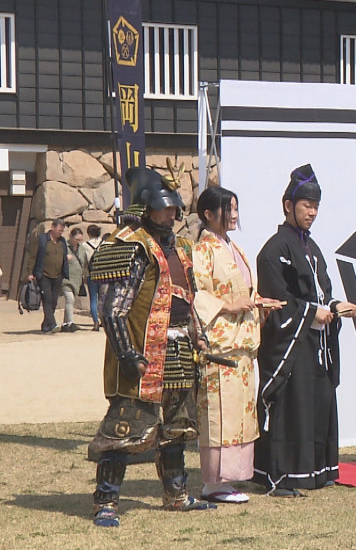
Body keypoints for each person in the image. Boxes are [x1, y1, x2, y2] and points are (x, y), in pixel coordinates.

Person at [86, 166, 214, 527]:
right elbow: (113, 310)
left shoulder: (179, 246)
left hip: (179, 349)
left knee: (176, 427)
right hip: (143, 352)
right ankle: (106, 501)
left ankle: (176, 494)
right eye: (164, 207)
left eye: (174, 207)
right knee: (124, 428)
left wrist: (198, 334)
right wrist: (127, 353)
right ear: (146, 206)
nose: (171, 214)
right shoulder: (129, 244)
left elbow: (187, 298)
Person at [253, 164, 356, 496]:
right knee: (292, 406)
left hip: (315, 342)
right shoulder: (274, 250)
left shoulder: (312, 249)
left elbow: (321, 294)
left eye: (316, 206)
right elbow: (278, 302)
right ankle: (281, 476)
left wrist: (337, 307)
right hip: (291, 343)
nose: (312, 212)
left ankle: (317, 470)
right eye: (306, 205)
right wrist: (315, 313)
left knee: (319, 400)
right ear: (289, 205)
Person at [193, 186, 277, 503]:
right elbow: (198, 294)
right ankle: (214, 482)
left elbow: (244, 291)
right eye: (229, 209)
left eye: (236, 209)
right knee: (220, 414)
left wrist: (259, 303)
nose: (234, 215)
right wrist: (229, 306)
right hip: (221, 345)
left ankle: (233, 477)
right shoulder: (203, 250)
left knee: (240, 412)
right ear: (209, 214)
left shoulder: (233, 247)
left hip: (240, 342)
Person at [29, 218, 70, 333]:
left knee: (53, 301)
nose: (60, 233)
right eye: (59, 230)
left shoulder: (62, 241)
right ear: (52, 227)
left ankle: (45, 324)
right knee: (47, 299)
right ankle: (52, 324)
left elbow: (64, 256)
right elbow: (33, 256)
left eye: (62, 231)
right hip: (44, 275)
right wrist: (30, 272)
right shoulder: (42, 239)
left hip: (58, 276)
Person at [61, 227, 88, 332]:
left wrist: (85, 275)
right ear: (71, 237)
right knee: (70, 299)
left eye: (80, 239)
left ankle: (65, 324)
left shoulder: (81, 248)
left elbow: (84, 263)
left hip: (77, 280)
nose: (78, 241)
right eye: (76, 239)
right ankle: (71, 322)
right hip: (66, 279)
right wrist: (65, 259)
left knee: (71, 301)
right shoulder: (64, 247)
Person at [83, 224, 104, 330]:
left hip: (92, 274)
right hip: (103, 274)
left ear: (89, 233)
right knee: (102, 298)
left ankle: (95, 321)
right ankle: (103, 320)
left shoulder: (85, 245)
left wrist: (84, 275)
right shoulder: (104, 243)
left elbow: (84, 262)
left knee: (93, 299)